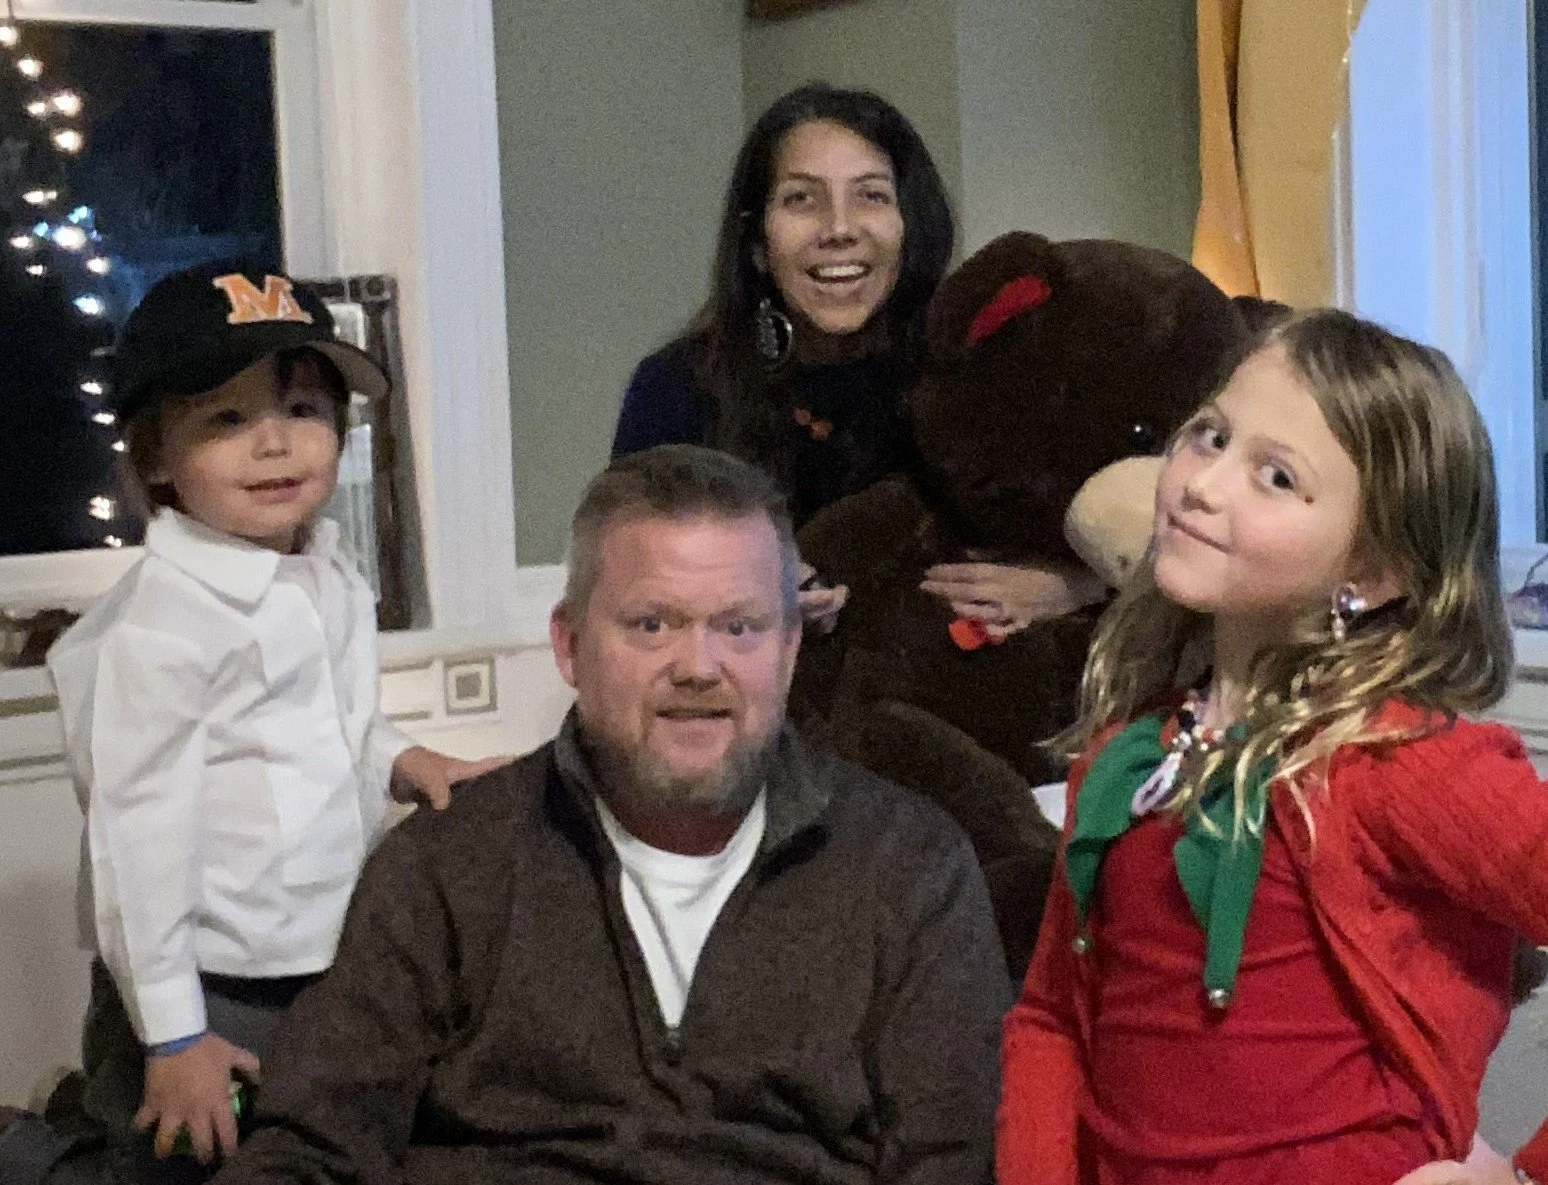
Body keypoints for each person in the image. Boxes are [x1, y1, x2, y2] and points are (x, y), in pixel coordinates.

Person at [210, 444, 1010, 1185]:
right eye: (652, 624)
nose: (698, 666)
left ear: (790, 648)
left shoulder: (909, 868)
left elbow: (951, 1163)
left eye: (739, 626)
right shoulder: (445, 866)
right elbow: (311, 1145)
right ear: (569, 645)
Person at [996, 309, 1548, 1185]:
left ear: (1374, 571)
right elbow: (1051, 1020)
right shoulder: (1127, 754)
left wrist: (1522, 1177)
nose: (1205, 484)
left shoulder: (1398, 760)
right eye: (1210, 436)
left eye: (1277, 476)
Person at [34, 266, 507, 1179]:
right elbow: (133, 844)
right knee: (181, 1160)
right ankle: (46, 1148)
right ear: (156, 458)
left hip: (320, 951)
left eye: (302, 408)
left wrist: (404, 758)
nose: (276, 442)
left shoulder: (325, 572)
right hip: (208, 980)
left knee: (304, 1148)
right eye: (227, 417)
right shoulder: (161, 629)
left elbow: (336, 723)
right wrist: (174, 1034)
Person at [611, 82, 1104, 634]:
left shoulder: (975, 370)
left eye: (871, 195)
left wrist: (1070, 586)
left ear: (910, 228)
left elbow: (1128, 524)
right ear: (757, 244)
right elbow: (627, 586)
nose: (840, 230)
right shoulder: (678, 387)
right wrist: (741, 597)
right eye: (802, 199)